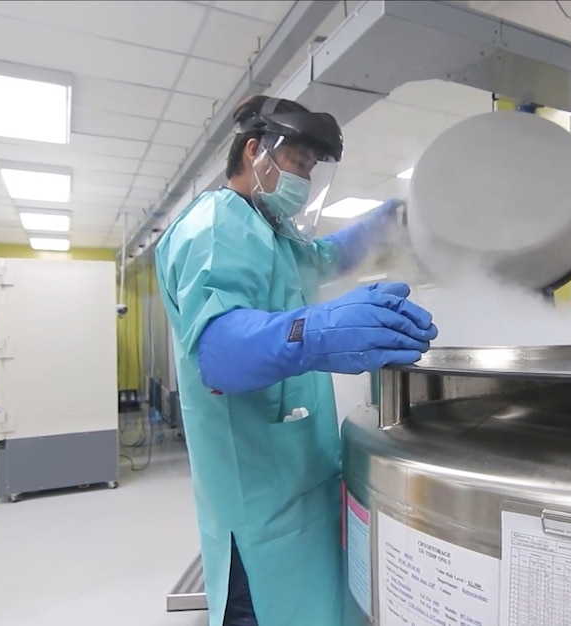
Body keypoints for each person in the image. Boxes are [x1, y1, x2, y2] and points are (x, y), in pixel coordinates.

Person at [154, 95, 438, 626]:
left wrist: (397, 216)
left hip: (300, 474)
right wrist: (318, 331)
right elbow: (218, 351)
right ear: (255, 151)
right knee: (261, 606)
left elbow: (330, 256)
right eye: (298, 163)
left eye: (311, 168)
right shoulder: (215, 225)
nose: (304, 179)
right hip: (255, 492)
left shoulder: (276, 233)